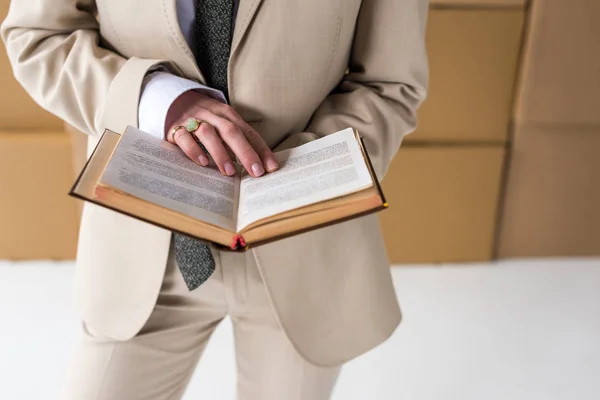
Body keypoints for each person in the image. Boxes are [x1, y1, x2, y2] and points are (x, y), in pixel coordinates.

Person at [1, 0, 428, 398]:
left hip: (302, 257)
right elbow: (38, 36)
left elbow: (390, 84)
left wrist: (296, 175)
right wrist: (158, 100)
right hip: (141, 252)